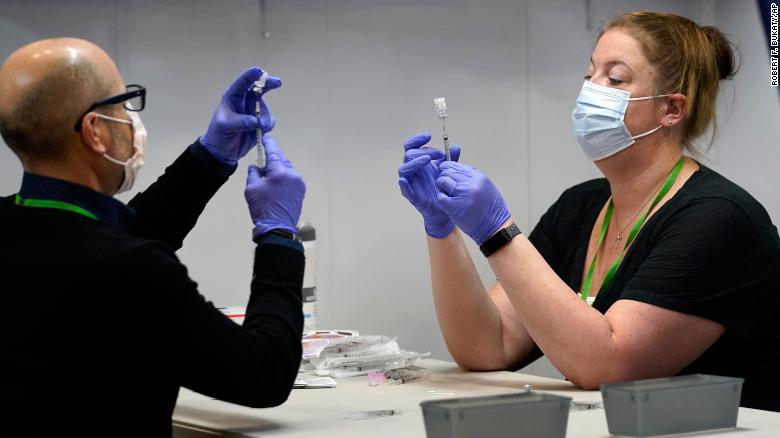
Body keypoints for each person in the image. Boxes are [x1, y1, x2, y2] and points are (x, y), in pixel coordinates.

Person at [398, 11, 780, 411]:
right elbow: (486, 346)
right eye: (589, 76)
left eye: (615, 79)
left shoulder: (719, 219)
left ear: (671, 109)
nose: (590, 91)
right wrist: (442, 228)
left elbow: (609, 366)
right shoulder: (580, 206)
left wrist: (497, 232)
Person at [0, 38, 307, 434]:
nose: (132, 118)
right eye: (125, 102)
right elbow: (264, 373)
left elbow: (102, 236)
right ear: (95, 130)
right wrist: (279, 235)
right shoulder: (135, 272)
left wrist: (210, 158)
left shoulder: (18, 225)